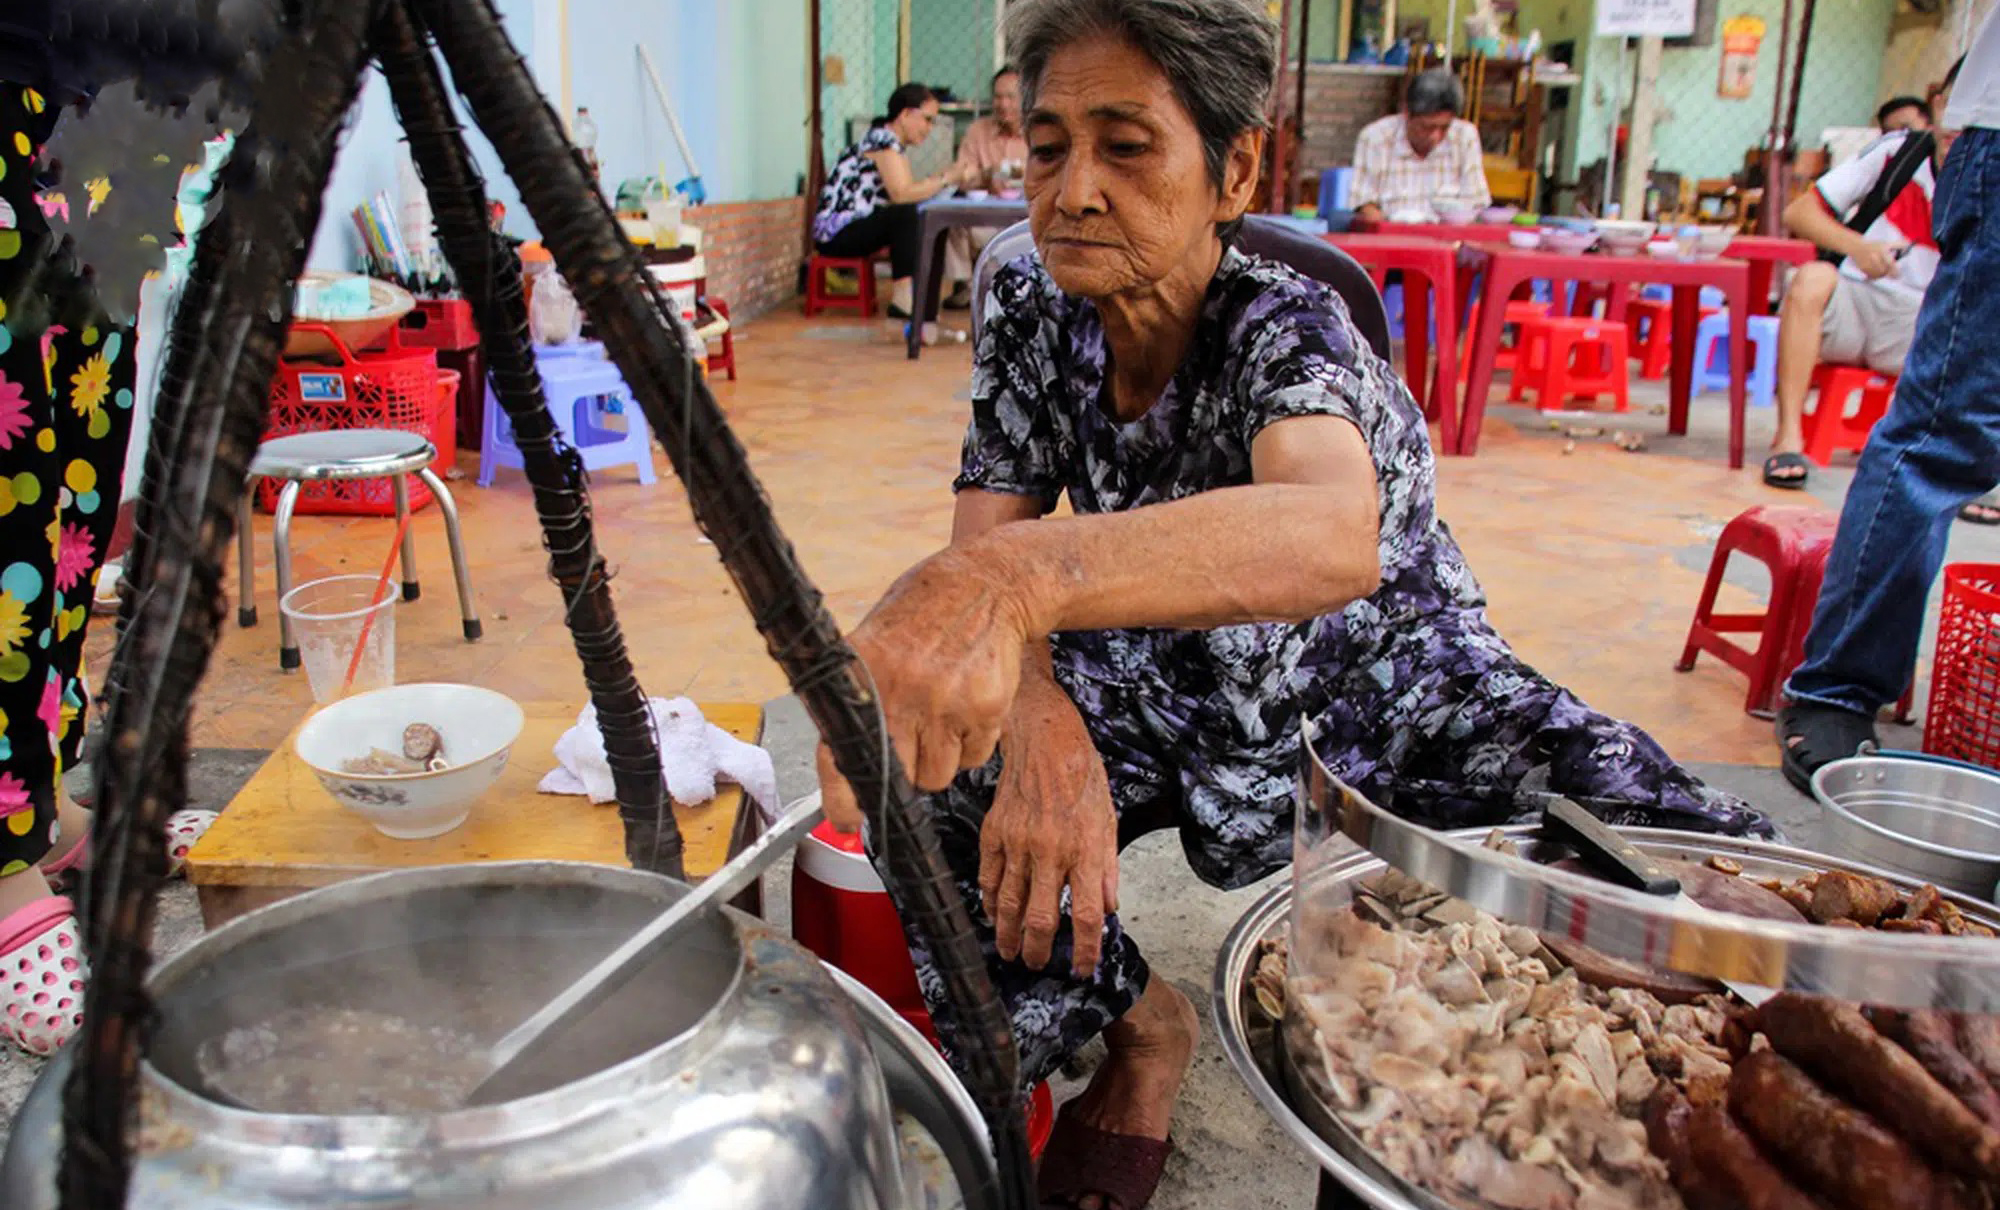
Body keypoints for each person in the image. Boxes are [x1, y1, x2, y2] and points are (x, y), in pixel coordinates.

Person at [812, 2, 1768, 1206]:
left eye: (1125, 144)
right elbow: (987, 528)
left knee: (1697, 872)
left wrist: (1013, 590)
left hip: (1388, 683)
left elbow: (1329, 531)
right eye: (1047, 147)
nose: (1073, 190)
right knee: (930, 774)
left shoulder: (1284, 324)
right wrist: (1037, 711)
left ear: (1234, 170)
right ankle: (1140, 1030)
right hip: (1167, 675)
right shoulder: (1026, 301)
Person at [1775, 30, 2000, 789]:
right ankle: (1837, 686)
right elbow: (1805, 216)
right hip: (1881, 295)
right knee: (1944, 435)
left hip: (1904, 313)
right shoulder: (1899, 154)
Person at [1758, 97, 1943, 490]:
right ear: (1940, 105)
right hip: (1856, 302)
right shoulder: (1899, 153)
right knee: (1811, 277)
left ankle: (1959, 466)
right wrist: (1857, 247)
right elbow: (1798, 214)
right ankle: (1789, 436)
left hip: (1924, 323)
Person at [813, 82, 974, 319]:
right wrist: (946, 178)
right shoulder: (883, 141)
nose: (929, 128)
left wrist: (946, 181)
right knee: (905, 214)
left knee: (913, 214)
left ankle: (918, 298)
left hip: (851, 228)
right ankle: (904, 297)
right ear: (905, 114)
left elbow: (909, 192)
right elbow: (902, 194)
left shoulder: (888, 142)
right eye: (927, 119)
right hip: (836, 234)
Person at [1349, 68, 1491, 222]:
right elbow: (1364, 206)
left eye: (1444, 128)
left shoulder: (1464, 137)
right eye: (1426, 127)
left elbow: (1477, 205)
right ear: (1406, 113)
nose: (1436, 136)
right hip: (1393, 238)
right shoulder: (1375, 138)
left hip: (1448, 238)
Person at [942, 66, 1029, 309]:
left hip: (1028, 219)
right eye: (998, 97)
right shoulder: (978, 131)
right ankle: (964, 285)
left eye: (1011, 97)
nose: (1003, 104)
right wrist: (986, 174)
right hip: (987, 218)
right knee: (951, 222)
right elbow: (962, 176)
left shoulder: (1040, 130)